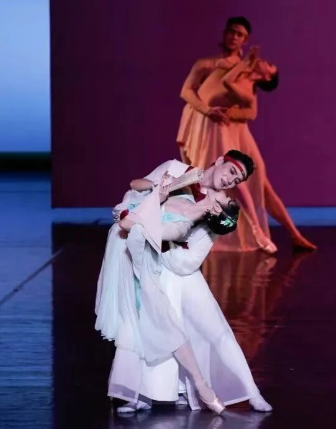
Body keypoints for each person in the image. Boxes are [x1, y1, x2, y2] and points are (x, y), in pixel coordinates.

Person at [95, 150, 273, 414]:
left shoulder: (219, 208)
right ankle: (141, 394)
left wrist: (161, 240)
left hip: (178, 268)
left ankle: (252, 393)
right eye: (231, 171)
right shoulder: (177, 170)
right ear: (220, 161)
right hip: (149, 260)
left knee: (216, 331)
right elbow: (135, 188)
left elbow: (190, 259)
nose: (230, 181)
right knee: (146, 327)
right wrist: (158, 189)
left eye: (237, 180)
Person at [177, 16, 316, 254]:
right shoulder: (208, 64)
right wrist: (209, 110)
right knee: (203, 181)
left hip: (235, 133)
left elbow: (250, 111)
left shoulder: (246, 72)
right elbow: (187, 91)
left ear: (245, 40)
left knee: (260, 185)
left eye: (239, 34)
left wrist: (227, 112)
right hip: (211, 128)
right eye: (231, 31)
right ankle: (196, 234)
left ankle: (293, 234)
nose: (234, 37)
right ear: (224, 33)